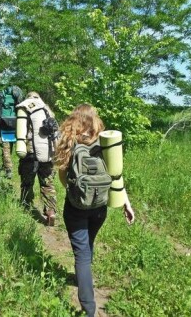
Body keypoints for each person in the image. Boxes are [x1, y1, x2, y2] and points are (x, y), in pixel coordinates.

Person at [54, 104, 135, 316]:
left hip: (75, 207)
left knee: (81, 254)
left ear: (75, 119)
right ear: (95, 119)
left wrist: (76, 192)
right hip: (100, 207)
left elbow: (63, 177)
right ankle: (84, 277)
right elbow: (116, 175)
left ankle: (89, 309)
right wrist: (126, 202)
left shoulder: (69, 141)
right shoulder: (106, 143)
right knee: (88, 244)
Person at [15, 91, 58, 225]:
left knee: (27, 182)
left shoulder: (25, 107)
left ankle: (26, 206)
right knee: (47, 183)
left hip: (30, 153)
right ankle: (51, 211)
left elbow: (21, 131)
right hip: (48, 153)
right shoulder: (47, 109)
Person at [0, 86, 24, 179]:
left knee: (5, 148)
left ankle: (8, 169)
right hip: (15, 126)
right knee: (10, 147)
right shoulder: (18, 104)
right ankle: (5, 166)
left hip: (4, 126)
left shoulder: (0, 103)